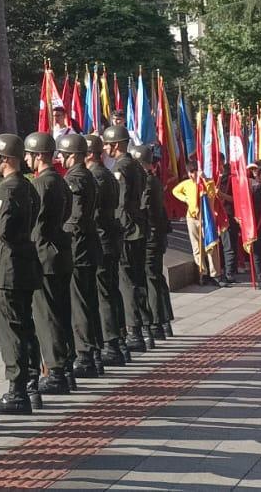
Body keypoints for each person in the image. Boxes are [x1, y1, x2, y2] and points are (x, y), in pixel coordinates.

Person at [0, 133, 43, 416]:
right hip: (25, 262)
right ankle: (32, 386)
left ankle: (17, 390)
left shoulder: (6, 190)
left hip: (8, 266)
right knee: (26, 325)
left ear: (6, 159)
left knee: (11, 330)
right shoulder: (28, 187)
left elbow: (4, 229)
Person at [25, 131, 76, 394]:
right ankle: (65, 366)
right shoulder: (61, 181)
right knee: (61, 311)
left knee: (47, 315)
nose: (26, 159)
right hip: (60, 251)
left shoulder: (41, 184)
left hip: (44, 254)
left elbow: (36, 223)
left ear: (39, 155)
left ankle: (55, 371)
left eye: (29, 154)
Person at [57, 134, 104, 380]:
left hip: (78, 247)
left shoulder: (75, 179)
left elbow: (74, 219)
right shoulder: (89, 176)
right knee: (89, 300)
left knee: (80, 304)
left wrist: (61, 235)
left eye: (63, 155)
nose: (60, 158)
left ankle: (85, 355)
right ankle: (93, 352)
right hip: (88, 245)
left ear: (73, 155)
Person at [104, 125, 152, 352]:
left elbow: (120, 203)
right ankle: (146, 328)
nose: (104, 148)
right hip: (139, 227)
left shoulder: (121, 168)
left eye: (107, 144)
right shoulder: (135, 165)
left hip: (127, 230)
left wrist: (117, 227)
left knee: (127, 281)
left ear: (116, 144)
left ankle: (134, 331)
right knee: (138, 279)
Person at [85, 134, 129, 367]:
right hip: (110, 238)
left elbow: (92, 213)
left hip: (102, 239)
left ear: (90, 154)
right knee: (111, 290)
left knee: (104, 294)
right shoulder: (108, 175)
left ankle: (112, 343)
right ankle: (118, 339)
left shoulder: (96, 177)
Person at [133, 144, 175, 338]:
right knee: (156, 277)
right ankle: (163, 322)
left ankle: (156, 323)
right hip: (156, 235)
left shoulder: (147, 183)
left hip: (150, 236)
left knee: (151, 278)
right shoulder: (154, 180)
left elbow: (143, 210)